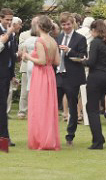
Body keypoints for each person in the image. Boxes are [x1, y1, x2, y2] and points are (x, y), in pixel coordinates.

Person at [23, 15, 61, 150]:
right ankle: (49, 138)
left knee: (39, 106)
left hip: (40, 74)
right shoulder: (53, 41)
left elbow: (41, 61)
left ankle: (41, 139)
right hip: (50, 74)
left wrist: (27, 56)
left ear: (39, 26)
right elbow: (57, 62)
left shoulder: (40, 41)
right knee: (48, 107)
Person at [53, 12, 87, 145]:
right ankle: (51, 133)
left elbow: (83, 56)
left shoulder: (80, 38)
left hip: (72, 76)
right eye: (63, 24)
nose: (66, 27)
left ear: (73, 23)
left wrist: (69, 51)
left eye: (68, 24)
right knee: (54, 104)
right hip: (59, 74)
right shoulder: (58, 37)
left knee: (72, 106)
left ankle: (70, 135)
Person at [0, 8, 20, 142]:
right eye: (6, 19)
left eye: (10, 20)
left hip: (7, 72)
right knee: (1, 104)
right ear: (0, 18)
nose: (9, 22)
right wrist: (8, 33)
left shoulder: (12, 34)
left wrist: (13, 73)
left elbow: (11, 55)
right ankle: (4, 136)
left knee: (0, 104)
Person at [84, 18, 106, 149]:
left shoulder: (95, 43)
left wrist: (82, 61)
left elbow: (91, 62)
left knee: (91, 108)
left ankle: (97, 140)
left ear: (95, 30)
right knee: (94, 107)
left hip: (96, 76)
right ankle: (99, 137)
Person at [16, 21, 36, 119]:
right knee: (25, 90)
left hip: (38, 66)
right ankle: (22, 111)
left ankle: (33, 111)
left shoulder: (43, 35)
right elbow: (20, 48)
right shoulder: (24, 34)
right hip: (26, 65)